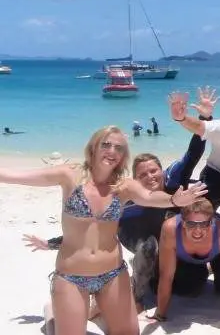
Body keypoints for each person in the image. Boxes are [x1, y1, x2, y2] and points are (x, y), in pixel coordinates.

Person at [0, 125, 207, 334]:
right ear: (93, 147)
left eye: (118, 148)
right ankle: (52, 313)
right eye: (106, 144)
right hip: (71, 276)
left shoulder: (123, 186)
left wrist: (173, 199)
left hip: (112, 275)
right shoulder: (69, 175)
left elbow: (151, 197)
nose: (112, 151)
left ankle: (93, 311)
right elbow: (18, 176)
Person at [148, 198, 220, 322]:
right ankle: (203, 268)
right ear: (183, 221)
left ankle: (210, 266)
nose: (197, 230)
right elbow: (167, 276)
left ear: (211, 222)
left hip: (218, 253)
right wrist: (160, 314)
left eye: (204, 224)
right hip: (187, 256)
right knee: (188, 289)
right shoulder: (171, 229)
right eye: (191, 224)